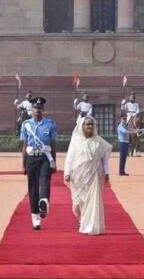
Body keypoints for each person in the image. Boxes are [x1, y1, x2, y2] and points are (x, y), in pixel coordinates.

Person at [65, 116, 112, 235]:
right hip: (79, 176)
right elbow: (69, 158)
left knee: (93, 201)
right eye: (87, 124)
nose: (90, 126)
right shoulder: (75, 141)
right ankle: (82, 219)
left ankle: (91, 226)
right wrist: (67, 172)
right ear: (82, 126)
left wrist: (106, 172)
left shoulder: (99, 141)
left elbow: (104, 159)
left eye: (91, 124)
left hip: (95, 175)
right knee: (77, 204)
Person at [20, 97, 58, 230]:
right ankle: (35, 216)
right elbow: (24, 145)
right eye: (35, 108)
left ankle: (43, 202)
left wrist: (54, 162)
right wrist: (23, 164)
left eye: (40, 108)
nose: (38, 110)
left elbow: (53, 144)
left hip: (45, 158)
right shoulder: (26, 125)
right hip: (31, 158)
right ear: (32, 109)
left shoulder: (50, 124)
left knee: (45, 181)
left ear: (43, 109)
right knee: (33, 187)